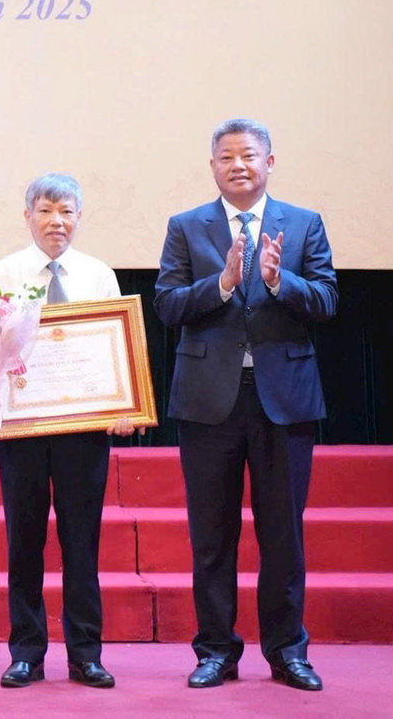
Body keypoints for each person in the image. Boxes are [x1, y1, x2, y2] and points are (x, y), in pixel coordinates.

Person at [154, 118, 337, 692]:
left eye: (249, 155)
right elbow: (167, 305)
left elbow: (327, 299)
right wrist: (223, 284)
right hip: (209, 403)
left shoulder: (304, 224)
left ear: (269, 163)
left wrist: (281, 283)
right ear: (212, 166)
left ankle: (287, 652)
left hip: (284, 399)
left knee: (283, 535)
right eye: (227, 156)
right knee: (212, 537)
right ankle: (216, 651)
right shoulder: (186, 227)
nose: (238, 165)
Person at [0, 173, 134, 690]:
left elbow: (116, 350)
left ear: (79, 217)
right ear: (28, 216)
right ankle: (26, 653)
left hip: (84, 431)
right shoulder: (2, 274)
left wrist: (122, 404)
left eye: (67, 211)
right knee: (23, 542)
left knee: (82, 543)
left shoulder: (99, 276)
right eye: (46, 211)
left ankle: (85, 654)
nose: (57, 222)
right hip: (20, 429)